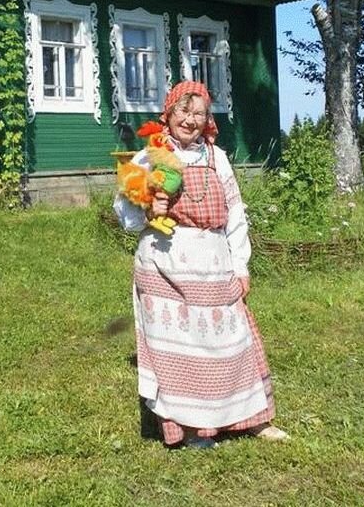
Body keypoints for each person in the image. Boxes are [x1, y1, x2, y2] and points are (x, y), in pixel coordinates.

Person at [114, 80, 289, 449]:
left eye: (199, 113)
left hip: (213, 262)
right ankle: (191, 428)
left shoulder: (216, 157)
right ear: (169, 112)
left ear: (207, 119)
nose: (190, 121)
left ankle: (250, 419)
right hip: (165, 264)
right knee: (179, 352)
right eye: (184, 111)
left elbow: (236, 215)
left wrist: (241, 266)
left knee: (233, 340)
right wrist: (147, 210)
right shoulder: (151, 155)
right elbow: (124, 211)